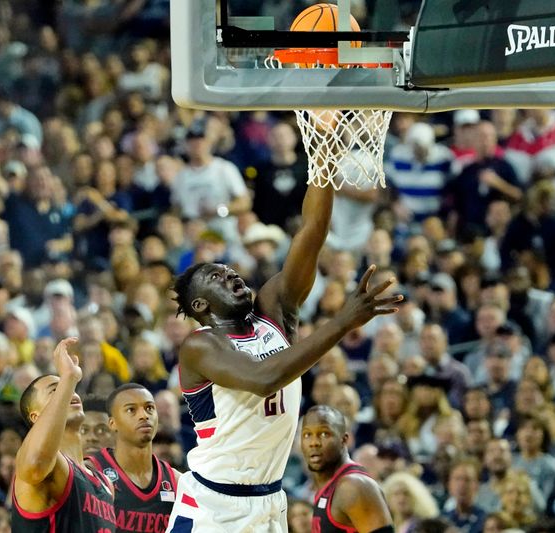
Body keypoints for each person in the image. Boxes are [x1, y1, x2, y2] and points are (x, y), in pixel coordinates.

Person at [168, 183, 402, 531]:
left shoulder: (273, 312)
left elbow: (312, 231)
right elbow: (265, 379)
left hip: (269, 501)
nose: (231, 274)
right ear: (201, 305)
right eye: (215, 276)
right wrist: (342, 322)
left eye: (229, 269)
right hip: (212, 504)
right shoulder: (200, 346)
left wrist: (322, 165)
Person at [11, 337, 116, 532]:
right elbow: (36, 463)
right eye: (55, 390)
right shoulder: (42, 465)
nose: (69, 393)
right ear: (36, 416)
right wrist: (68, 379)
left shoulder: (105, 483)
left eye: (69, 388)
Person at [89, 383, 179, 533]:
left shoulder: (175, 480)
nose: (144, 415)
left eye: (149, 408)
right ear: (112, 423)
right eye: (131, 410)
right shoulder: (92, 471)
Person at [300, 405, 393, 532]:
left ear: (344, 440)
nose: (313, 442)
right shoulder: (328, 484)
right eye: (307, 435)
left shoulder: (354, 486)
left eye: (324, 434)